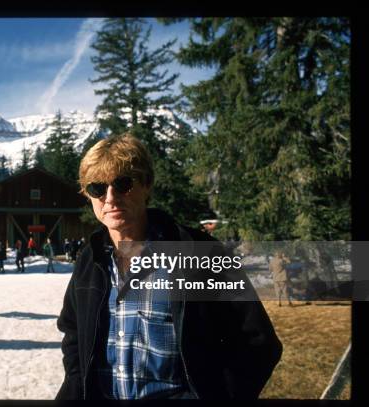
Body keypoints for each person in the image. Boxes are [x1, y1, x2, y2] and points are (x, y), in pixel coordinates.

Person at [56, 133, 282, 400]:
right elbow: (73, 333)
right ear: (88, 195)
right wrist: (77, 385)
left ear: (147, 184)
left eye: (123, 184)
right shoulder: (90, 259)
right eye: (97, 188)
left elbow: (257, 342)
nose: (110, 198)